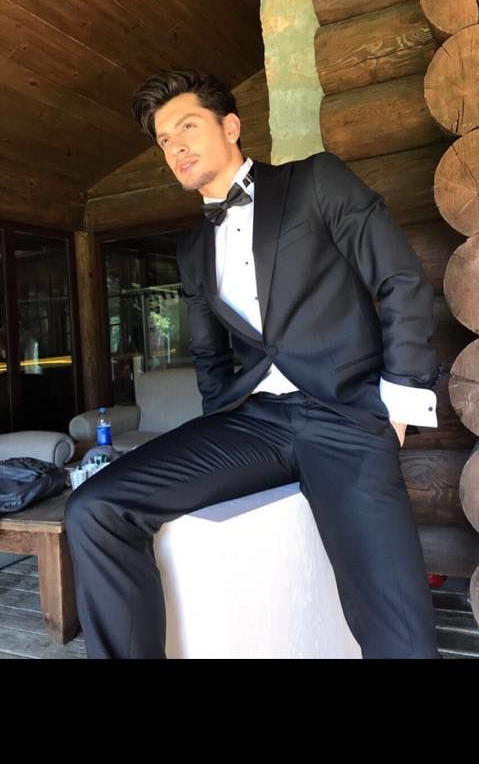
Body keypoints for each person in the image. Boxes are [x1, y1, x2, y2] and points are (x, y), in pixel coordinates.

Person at [65, 69, 441, 660]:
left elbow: (399, 280)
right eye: (164, 140)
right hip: (255, 421)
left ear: (231, 126)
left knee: (399, 631)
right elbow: (209, 353)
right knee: (95, 508)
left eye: (187, 127)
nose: (175, 146)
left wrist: (398, 404)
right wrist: (222, 419)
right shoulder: (192, 249)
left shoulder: (316, 181)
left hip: (346, 417)